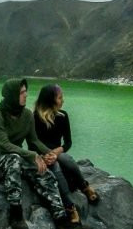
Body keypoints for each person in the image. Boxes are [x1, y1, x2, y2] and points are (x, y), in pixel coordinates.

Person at [0, 78, 92, 229]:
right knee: (14, 159)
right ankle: (16, 214)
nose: (26, 95)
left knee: (44, 171)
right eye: (22, 92)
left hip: (17, 156)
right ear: (12, 95)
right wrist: (32, 155)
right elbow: (3, 145)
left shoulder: (27, 114)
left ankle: (62, 222)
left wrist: (48, 154)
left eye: (26, 91)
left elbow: (33, 141)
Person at [33, 83, 100, 217]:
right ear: (50, 100)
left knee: (66, 158)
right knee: (56, 166)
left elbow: (68, 143)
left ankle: (85, 187)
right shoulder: (34, 117)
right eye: (59, 98)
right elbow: (32, 143)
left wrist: (57, 151)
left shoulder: (63, 116)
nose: (62, 100)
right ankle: (69, 207)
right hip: (42, 156)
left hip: (57, 153)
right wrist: (45, 156)